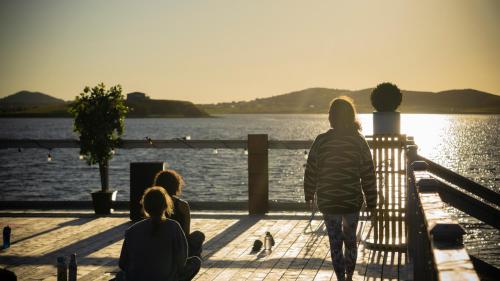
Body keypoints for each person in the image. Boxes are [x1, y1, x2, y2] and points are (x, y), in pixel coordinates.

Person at [304, 97, 377, 281]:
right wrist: (372, 201)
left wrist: (309, 194)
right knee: (351, 241)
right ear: (351, 117)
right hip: (351, 200)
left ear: (331, 118)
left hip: (329, 201)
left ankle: (341, 279)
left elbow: (311, 169)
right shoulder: (359, 142)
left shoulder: (321, 141)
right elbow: (368, 173)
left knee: (335, 243)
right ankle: (350, 277)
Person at [119, 186, 201, 281]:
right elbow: (181, 261)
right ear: (166, 206)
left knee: (120, 275)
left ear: (145, 206)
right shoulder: (174, 227)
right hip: (165, 278)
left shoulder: (132, 230)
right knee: (195, 262)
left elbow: (122, 264)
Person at [154, 170, 205, 257]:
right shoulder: (182, 205)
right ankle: (189, 260)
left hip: (158, 245)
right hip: (178, 247)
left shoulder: (153, 203)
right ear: (176, 185)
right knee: (199, 235)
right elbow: (186, 233)